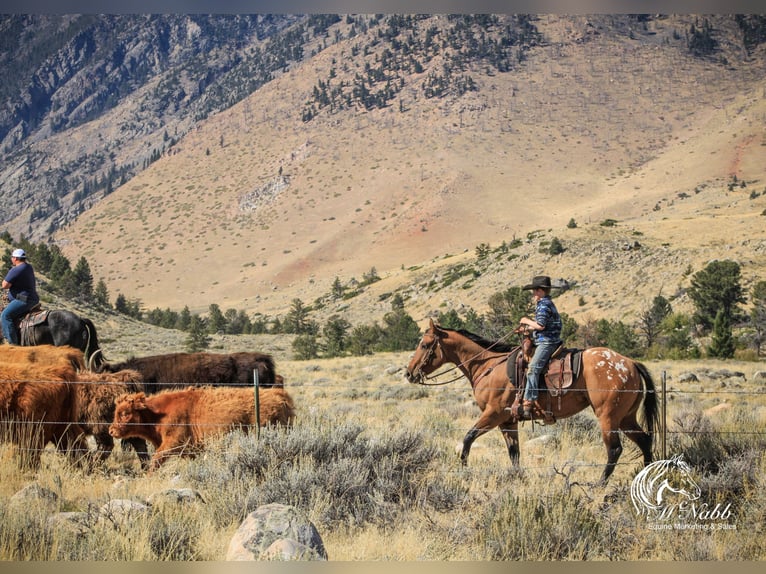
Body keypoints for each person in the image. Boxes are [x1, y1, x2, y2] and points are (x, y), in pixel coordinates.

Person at [518, 275, 562, 419]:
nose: (533, 295)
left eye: (534, 291)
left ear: (539, 291)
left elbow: (541, 326)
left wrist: (526, 320)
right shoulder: (548, 303)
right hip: (549, 339)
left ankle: (529, 400)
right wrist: (528, 330)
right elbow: (542, 326)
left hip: (547, 342)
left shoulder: (543, 304)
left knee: (532, 369)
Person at [1, 248, 40, 345]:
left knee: (5, 316)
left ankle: (13, 344)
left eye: (12, 257)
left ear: (15, 259)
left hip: (23, 299)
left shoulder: (16, 269)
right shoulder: (28, 267)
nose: (11, 259)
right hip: (32, 298)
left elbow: (4, 285)